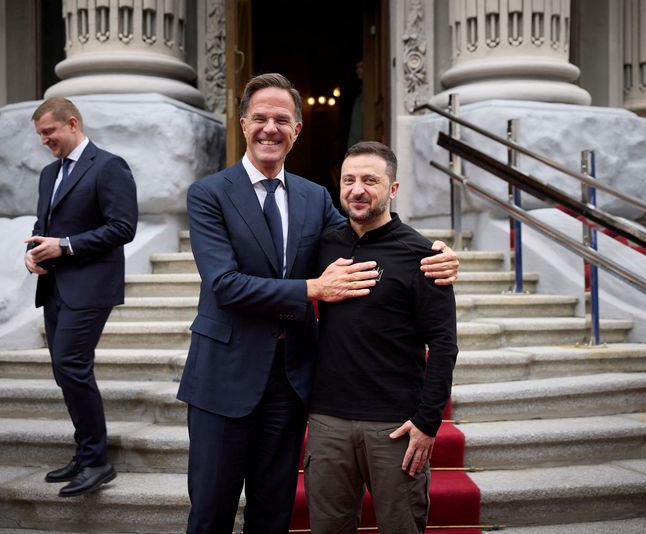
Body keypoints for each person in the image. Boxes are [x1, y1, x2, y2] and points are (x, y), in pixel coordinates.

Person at [178, 73, 459, 534]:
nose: (271, 128)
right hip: (222, 381)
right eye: (261, 118)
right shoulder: (209, 194)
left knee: (272, 515)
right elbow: (225, 285)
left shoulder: (314, 197)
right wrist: (313, 289)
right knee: (210, 514)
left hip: (290, 386)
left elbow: (370, 225)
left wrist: (436, 254)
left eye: (282, 120)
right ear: (244, 123)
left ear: (297, 130)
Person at [304, 141, 458, 534]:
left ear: (393, 189)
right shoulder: (322, 245)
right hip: (327, 421)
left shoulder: (423, 255)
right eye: (349, 180)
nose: (358, 189)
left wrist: (427, 422)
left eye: (370, 180)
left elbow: (443, 345)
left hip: (394, 425)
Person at [24, 97, 138, 498]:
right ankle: (86, 450)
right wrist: (34, 254)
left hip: (90, 285)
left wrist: (65, 246)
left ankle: (97, 462)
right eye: (40, 135)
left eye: (49, 132)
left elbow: (123, 227)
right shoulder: (47, 174)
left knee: (72, 365)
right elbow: (45, 227)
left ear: (72, 124)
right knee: (64, 370)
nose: (44, 141)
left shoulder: (109, 166)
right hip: (54, 285)